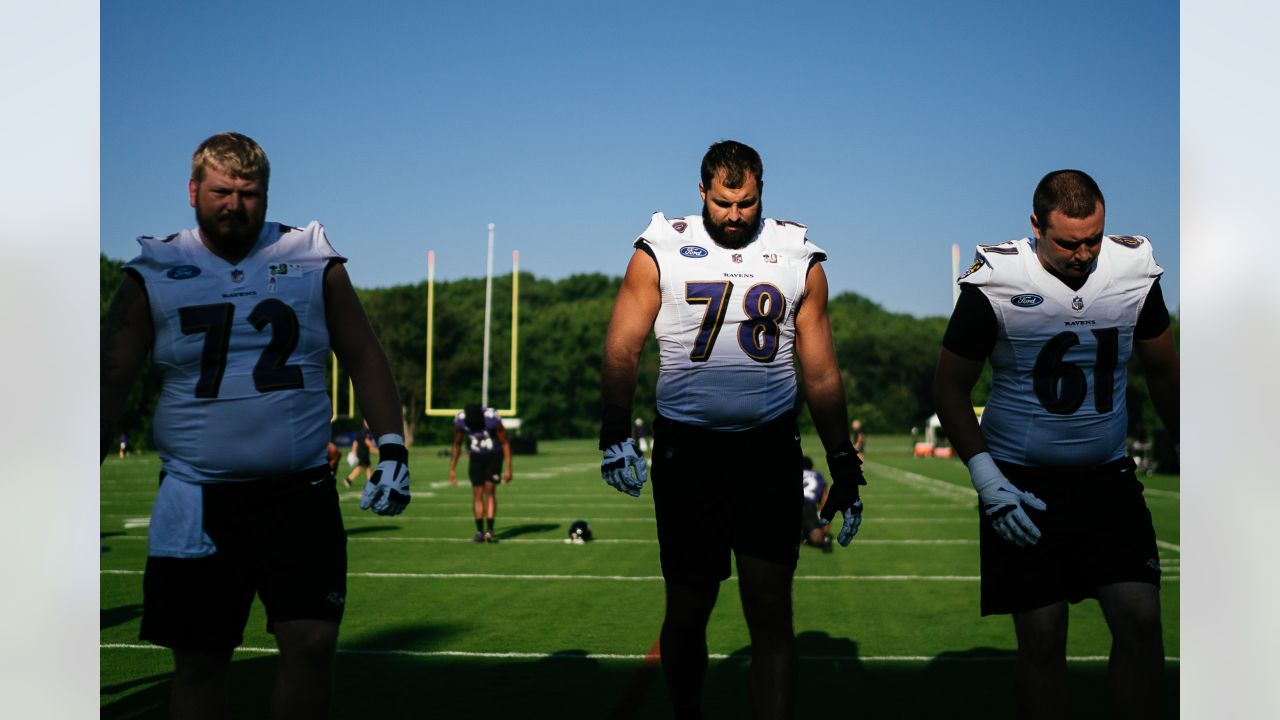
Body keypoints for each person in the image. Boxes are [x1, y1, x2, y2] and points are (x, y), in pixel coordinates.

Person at [99, 132, 410, 720]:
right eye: (222, 191)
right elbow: (108, 381)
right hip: (195, 495)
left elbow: (363, 352)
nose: (235, 205)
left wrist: (390, 444)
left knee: (312, 644)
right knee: (198, 660)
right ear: (193, 192)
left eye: (249, 193)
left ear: (266, 194)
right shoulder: (155, 269)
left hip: (299, 491)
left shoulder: (311, 255)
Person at [599, 140, 867, 719]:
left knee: (771, 608)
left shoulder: (797, 253)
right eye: (723, 202)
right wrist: (614, 425)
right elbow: (624, 343)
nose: (734, 215)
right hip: (688, 448)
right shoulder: (659, 248)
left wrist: (842, 456)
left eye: (746, 203)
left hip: (769, 448)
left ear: (761, 193)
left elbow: (820, 371)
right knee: (689, 606)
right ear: (702, 194)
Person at [932, 169, 1179, 720]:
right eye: (1069, 242)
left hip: (1108, 477)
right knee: (1043, 639)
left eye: (1094, 238)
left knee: (1141, 623)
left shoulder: (1134, 270)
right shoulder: (996, 278)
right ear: (1035, 226)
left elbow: (1164, 373)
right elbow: (950, 388)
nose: (1084, 253)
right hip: (1023, 483)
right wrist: (987, 480)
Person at [449, 403, 513, 543]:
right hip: (476, 457)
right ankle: (479, 531)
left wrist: (508, 468)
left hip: (494, 456)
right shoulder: (461, 421)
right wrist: (452, 468)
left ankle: (490, 529)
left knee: (489, 489)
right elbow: (457, 444)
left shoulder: (492, 419)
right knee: (477, 492)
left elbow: (504, 442)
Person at [800, 457, 832, 553]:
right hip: (809, 508)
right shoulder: (818, 476)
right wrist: (825, 530)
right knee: (816, 536)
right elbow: (826, 501)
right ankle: (822, 538)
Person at [344, 421, 374, 488]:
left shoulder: (360, 431)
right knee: (360, 467)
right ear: (365, 423)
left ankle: (370, 482)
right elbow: (367, 441)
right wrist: (373, 447)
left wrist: (354, 451)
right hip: (363, 453)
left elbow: (355, 442)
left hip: (361, 452)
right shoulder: (366, 431)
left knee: (368, 467)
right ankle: (348, 479)